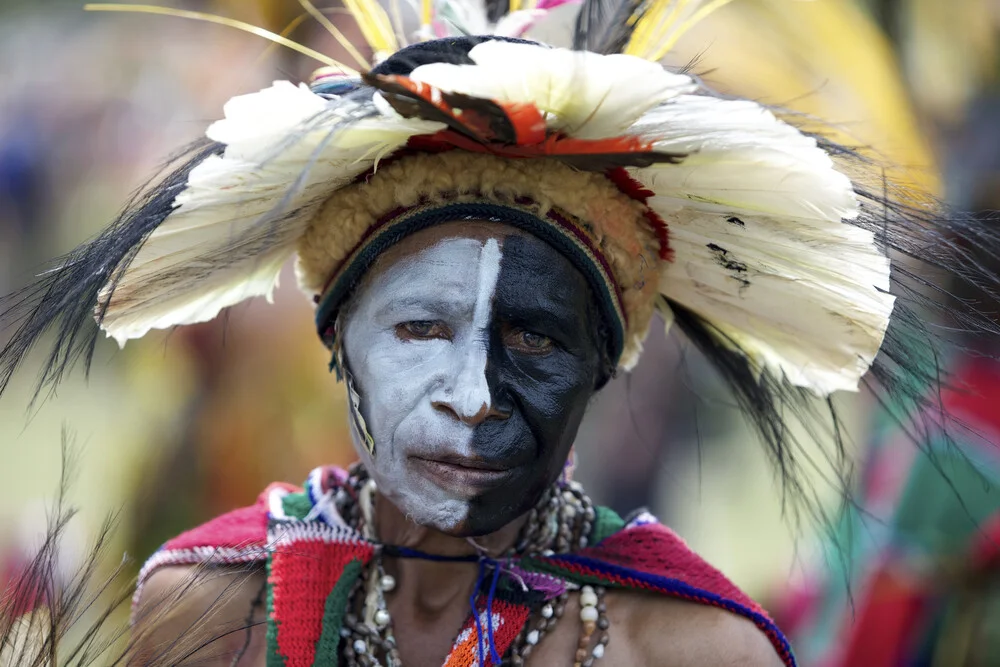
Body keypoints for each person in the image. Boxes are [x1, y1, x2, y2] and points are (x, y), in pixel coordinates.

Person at [2, 1, 999, 665]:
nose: (471, 393)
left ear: (610, 362)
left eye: (532, 340)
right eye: (420, 326)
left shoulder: (692, 644)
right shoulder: (214, 605)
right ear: (336, 335)